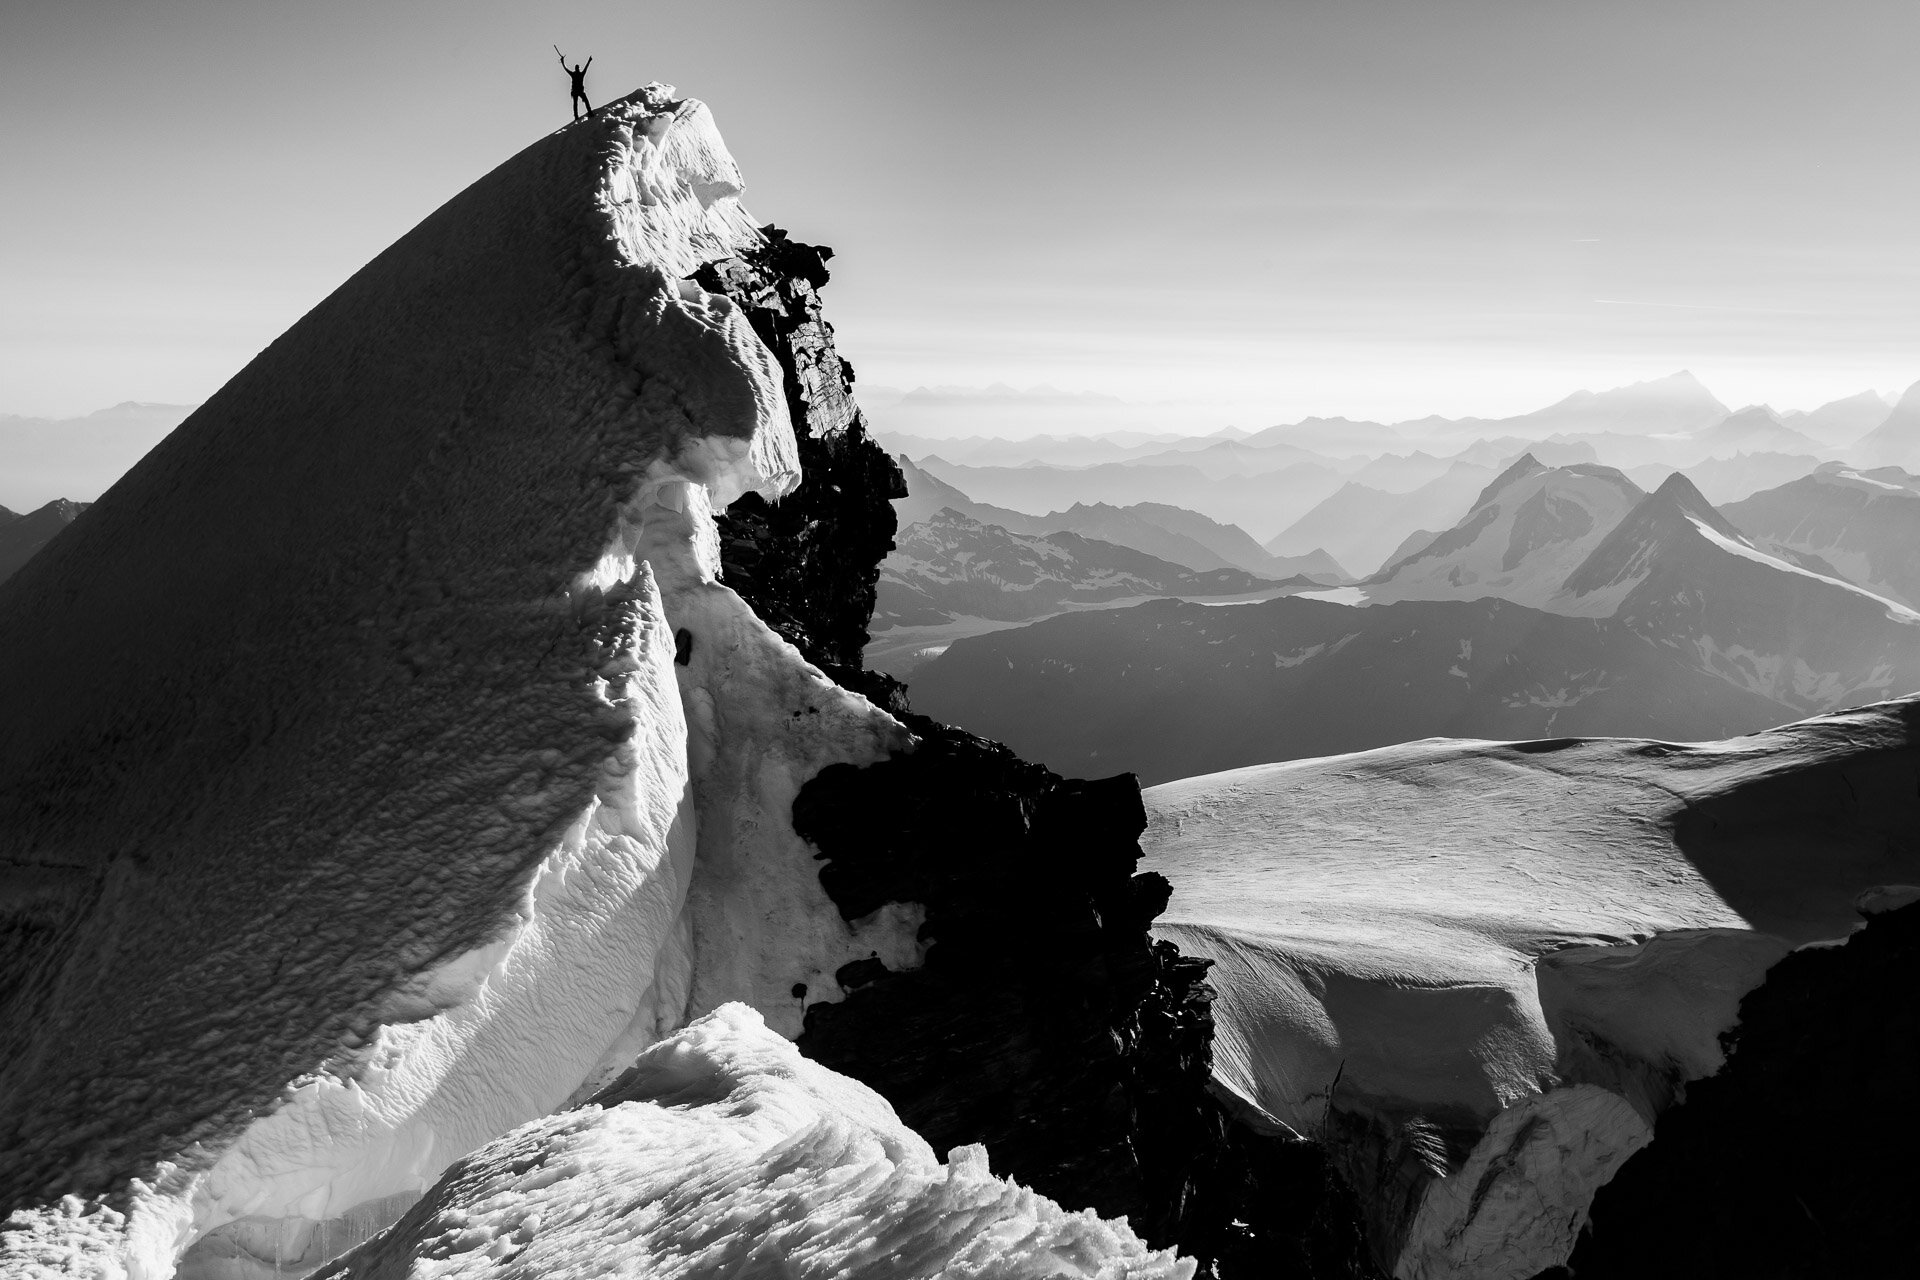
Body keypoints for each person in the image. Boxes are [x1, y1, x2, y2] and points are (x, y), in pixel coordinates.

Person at [555, 47, 593, 121]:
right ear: (578, 68)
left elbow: (566, 69)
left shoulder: (574, 74)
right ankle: (588, 112)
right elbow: (586, 68)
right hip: (578, 91)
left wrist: (563, 62)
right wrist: (589, 61)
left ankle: (578, 115)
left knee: (576, 103)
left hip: (576, 91)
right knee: (583, 101)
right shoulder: (580, 74)